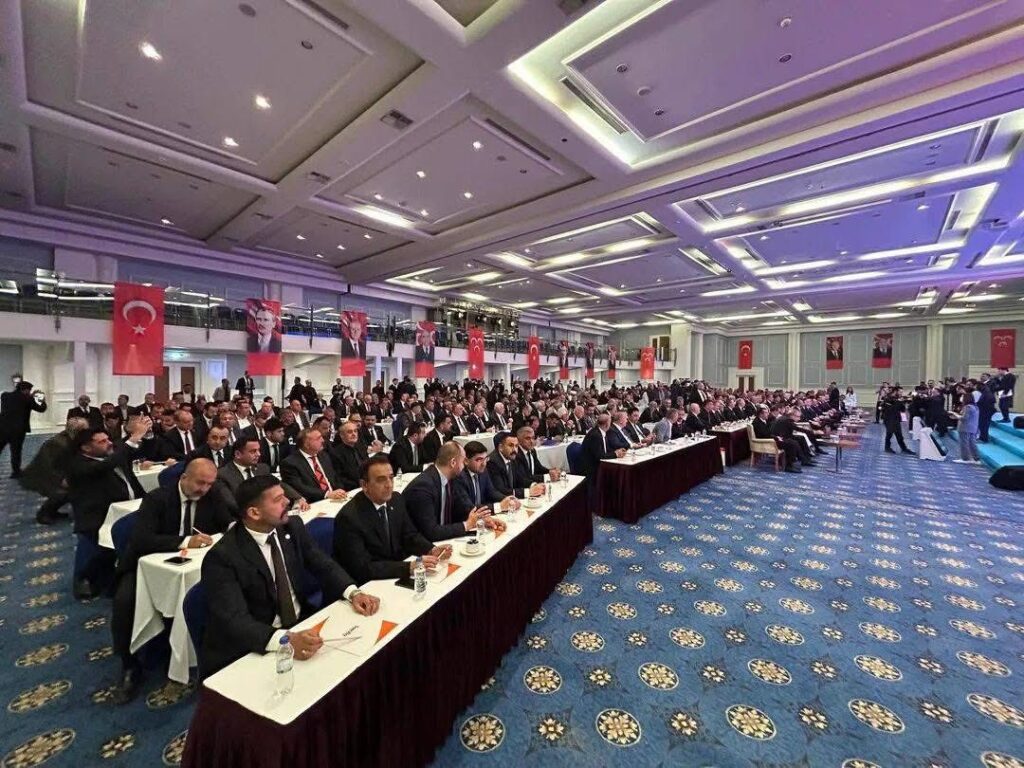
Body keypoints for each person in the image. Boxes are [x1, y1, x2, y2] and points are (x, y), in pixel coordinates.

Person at [200, 476, 380, 679]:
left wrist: (353, 593)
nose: (287, 502)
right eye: (278, 500)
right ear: (254, 513)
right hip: (255, 643)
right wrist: (285, 640)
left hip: (301, 623)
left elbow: (322, 564)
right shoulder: (222, 557)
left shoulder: (292, 526)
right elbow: (234, 620)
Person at [110, 459, 231, 702]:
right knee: (124, 602)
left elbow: (226, 521)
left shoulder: (212, 494)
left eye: (209, 484)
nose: (204, 489)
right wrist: (185, 541)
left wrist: (231, 527)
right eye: (200, 483)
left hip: (194, 564)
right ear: (184, 478)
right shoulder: (157, 499)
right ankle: (129, 665)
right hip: (144, 565)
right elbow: (142, 540)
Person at [333, 455, 448, 584]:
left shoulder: (396, 499)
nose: (389, 485)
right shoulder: (349, 518)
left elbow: (410, 535)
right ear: (364, 485)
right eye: (381, 480)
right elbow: (362, 569)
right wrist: (409, 567)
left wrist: (431, 549)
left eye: (391, 478)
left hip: (394, 573)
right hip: (368, 584)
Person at [66, 420, 149, 599]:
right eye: (102, 441)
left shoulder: (111, 454)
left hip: (127, 506)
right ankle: (82, 579)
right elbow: (104, 466)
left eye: (108, 439)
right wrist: (133, 438)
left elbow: (126, 459)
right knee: (92, 545)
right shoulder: (78, 464)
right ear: (86, 448)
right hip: (96, 514)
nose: (109, 443)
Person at [402, 442, 505, 542]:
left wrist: (482, 520)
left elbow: (464, 508)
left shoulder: (451, 479)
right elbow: (431, 532)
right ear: (453, 463)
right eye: (462, 461)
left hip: (445, 539)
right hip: (423, 545)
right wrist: (467, 525)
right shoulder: (423, 487)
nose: (464, 466)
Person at [20, 416, 88, 524]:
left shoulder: (71, 438)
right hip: (43, 475)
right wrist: (61, 479)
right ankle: (43, 514)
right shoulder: (59, 444)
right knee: (64, 492)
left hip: (57, 472)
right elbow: (47, 466)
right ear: (78, 431)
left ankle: (53, 511)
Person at [215, 437, 307, 511]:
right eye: (253, 451)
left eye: (259, 450)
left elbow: (278, 484)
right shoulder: (223, 475)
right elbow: (232, 504)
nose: (258, 454)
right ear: (238, 454)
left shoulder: (262, 468)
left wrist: (298, 498)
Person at [453, 441, 518, 520]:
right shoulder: (459, 477)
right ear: (466, 461)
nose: (484, 463)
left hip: (482, 518)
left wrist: (508, 500)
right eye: (479, 460)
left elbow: (492, 492)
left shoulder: (483, 471)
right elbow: (469, 508)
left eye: (485, 458)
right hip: (466, 520)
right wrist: (499, 506)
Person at [280, 428, 349, 503]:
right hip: (314, 502)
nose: (323, 440)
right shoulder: (290, 463)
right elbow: (300, 488)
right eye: (318, 438)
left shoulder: (324, 455)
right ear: (307, 445)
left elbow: (334, 477)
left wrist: (340, 489)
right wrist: (327, 494)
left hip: (335, 498)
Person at [0, 380, 48, 478]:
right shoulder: (28, 399)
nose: (29, 392)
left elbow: (17, 400)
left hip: (3, 428)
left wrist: (29, 397)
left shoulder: (5, 396)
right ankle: (15, 472)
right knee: (16, 451)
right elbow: (41, 409)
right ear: (25, 390)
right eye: (29, 390)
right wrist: (42, 400)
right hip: (18, 430)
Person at [487, 432, 545, 499]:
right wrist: (528, 492)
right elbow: (501, 490)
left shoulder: (512, 457)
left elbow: (520, 479)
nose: (514, 449)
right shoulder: (492, 462)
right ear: (500, 447)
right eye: (511, 445)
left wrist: (534, 485)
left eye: (516, 446)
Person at [329, 421, 372, 491]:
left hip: (368, 483)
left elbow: (368, 465)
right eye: (349, 432)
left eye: (355, 431)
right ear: (342, 435)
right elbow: (339, 477)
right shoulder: (336, 453)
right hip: (351, 488)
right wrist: (359, 484)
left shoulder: (361, 447)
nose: (354, 434)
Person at [881, 387, 914, 454]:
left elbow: (902, 410)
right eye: (900, 392)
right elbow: (891, 409)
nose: (901, 393)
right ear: (895, 391)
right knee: (889, 433)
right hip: (889, 419)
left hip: (896, 419)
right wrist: (899, 401)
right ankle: (887, 448)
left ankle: (904, 448)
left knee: (899, 434)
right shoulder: (888, 398)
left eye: (902, 392)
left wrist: (903, 402)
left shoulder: (898, 399)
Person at [954, 392, 981, 464]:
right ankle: (976, 458)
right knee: (972, 443)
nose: (961, 398)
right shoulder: (976, 407)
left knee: (964, 443)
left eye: (962, 397)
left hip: (965, 427)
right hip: (973, 427)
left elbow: (964, 418)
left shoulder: (967, 407)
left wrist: (955, 414)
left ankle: (965, 458)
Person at [977, 374, 997, 443]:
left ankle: (984, 438)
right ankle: (982, 437)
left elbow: (990, 399)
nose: (981, 377)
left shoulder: (987, 389)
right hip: (985, 408)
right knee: (982, 424)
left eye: (984, 376)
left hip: (987, 409)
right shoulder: (984, 389)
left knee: (984, 424)